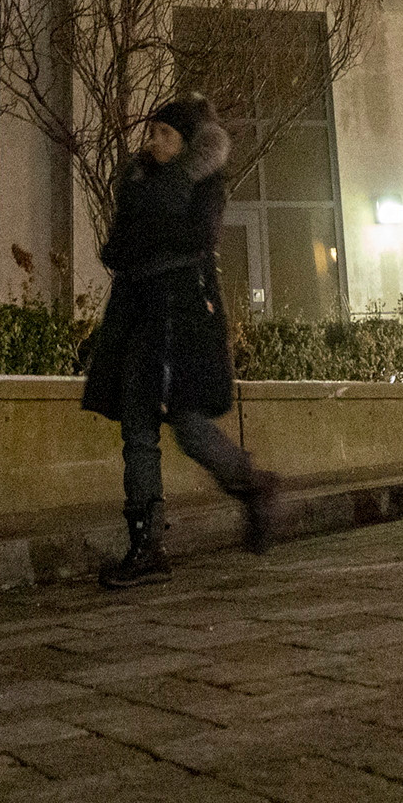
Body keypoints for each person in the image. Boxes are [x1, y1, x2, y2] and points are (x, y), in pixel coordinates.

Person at [83, 97, 282, 588]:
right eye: (152, 132)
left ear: (187, 141)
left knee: (190, 427)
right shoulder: (136, 180)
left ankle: (253, 485)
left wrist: (148, 226)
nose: (154, 141)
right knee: (137, 431)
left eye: (165, 134)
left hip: (182, 316)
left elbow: (196, 236)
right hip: (134, 313)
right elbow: (115, 247)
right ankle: (145, 547)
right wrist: (145, 233)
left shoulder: (204, 182)